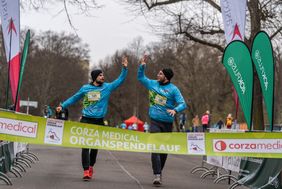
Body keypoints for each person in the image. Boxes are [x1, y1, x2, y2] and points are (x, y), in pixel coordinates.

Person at [56, 56, 128, 181]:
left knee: (95, 146)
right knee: (85, 145)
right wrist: (62, 106)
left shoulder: (107, 87)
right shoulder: (85, 88)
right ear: (95, 77)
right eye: (100, 75)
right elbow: (74, 98)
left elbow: (120, 80)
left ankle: (90, 166)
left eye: (103, 75)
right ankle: (85, 170)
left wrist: (125, 69)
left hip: (98, 120)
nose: (103, 77)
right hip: (86, 119)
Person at [137, 55, 187, 186]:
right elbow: (141, 78)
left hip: (167, 123)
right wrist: (142, 66)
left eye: (160, 74)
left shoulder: (173, 89)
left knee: (163, 150)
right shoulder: (152, 84)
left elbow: (183, 103)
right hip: (154, 121)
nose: (157, 75)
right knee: (155, 146)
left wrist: (175, 110)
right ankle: (157, 174)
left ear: (166, 77)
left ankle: (159, 171)